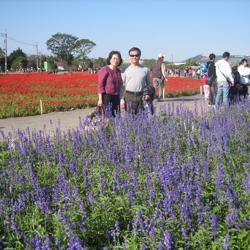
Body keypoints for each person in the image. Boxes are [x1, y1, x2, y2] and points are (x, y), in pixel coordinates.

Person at [121, 47, 151, 115]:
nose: (134, 57)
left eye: (136, 55)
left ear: (139, 56)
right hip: (129, 96)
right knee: (130, 120)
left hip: (141, 97)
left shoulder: (145, 69)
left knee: (142, 119)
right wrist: (122, 100)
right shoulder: (125, 70)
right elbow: (121, 87)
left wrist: (147, 94)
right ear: (129, 57)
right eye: (132, 55)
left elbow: (149, 84)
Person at [97, 50, 123, 117]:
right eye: (114, 58)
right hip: (106, 97)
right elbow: (100, 85)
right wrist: (100, 99)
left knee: (117, 116)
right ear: (110, 59)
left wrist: (121, 99)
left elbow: (120, 85)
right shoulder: (105, 70)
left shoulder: (118, 71)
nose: (116, 60)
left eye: (117, 58)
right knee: (107, 116)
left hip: (116, 97)